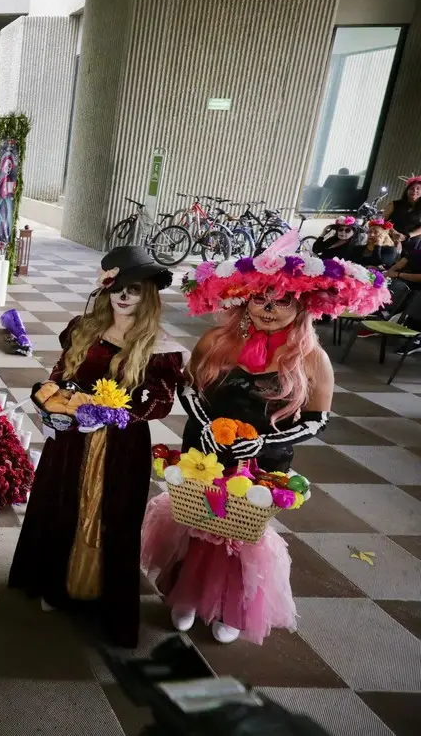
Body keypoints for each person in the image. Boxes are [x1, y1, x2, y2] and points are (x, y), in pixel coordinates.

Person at [141, 231, 386, 645]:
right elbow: (187, 388)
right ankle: (186, 595)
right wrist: (203, 419)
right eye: (260, 299)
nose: (269, 309)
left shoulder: (312, 357)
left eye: (282, 300)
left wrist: (262, 446)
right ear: (245, 300)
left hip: (264, 460)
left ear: (301, 305)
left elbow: (317, 420)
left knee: (240, 530)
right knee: (197, 519)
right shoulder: (216, 341)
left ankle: (232, 606)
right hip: (206, 449)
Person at [8, 246, 183, 647]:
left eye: (134, 289)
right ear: (105, 288)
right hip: (69, 441)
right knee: (60, 503)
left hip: (120, 449)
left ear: (148, 294)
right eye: (117, 287)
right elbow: (60, 372)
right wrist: (49, 400)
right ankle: (55, 585)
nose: (124, 296)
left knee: (111, 516)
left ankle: (100, 595)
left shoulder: (159, 344)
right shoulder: (84, 327)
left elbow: (160, 402)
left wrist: (116, 413)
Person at [383, 175, 421, 253]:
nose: (414, 191)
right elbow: (383, 220)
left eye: (418, 189)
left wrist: (407, 236)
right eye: (412, 188)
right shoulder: (394, 204)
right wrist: (394, 233)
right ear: (407, 191)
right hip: (389, 235)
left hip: (411, 239)